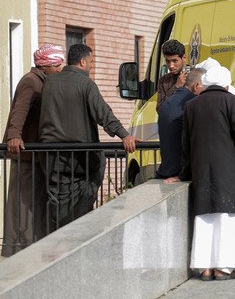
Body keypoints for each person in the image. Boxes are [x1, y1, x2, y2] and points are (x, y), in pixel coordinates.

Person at [165, 65, 235, 280]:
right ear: (225, 84)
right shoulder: (232, 102)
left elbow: (186, 144)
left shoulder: (191, 105)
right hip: (230, 172)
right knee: (229, 219)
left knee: (206, 220)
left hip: (202, 171)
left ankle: (205, 267)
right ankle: (223, 268)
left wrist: (184, 173)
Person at [38, 44, 137, 232]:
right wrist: (124, 135)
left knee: (58, 204)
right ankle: (77, 238)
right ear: (83, 61)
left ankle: (56, 244)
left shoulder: (49, 82)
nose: (92, 66)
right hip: (81, 159)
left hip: (52, 157)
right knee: (83, 202)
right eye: (91, 62)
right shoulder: (86, 84)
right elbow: (104, 114)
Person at [1, 44, 65, 256]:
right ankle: (18, 250)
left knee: (32, 204)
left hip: (34, 156)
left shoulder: (42, 81)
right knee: (22, 204)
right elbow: (19, 111)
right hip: (26, 155)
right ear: (45, 65)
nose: (60, 68)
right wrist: (13, 136)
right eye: (57, 65)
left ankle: (31, 247)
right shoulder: (31, 82)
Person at [156, 68, 204, 179]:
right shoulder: (193, 104)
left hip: (166, 171)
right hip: (182, 174)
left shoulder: (166, 103)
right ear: (196, 86)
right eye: (204, 87)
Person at [156, 39, 187, 112]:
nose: (171, 66)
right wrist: (177, 86)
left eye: (174, 61)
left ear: (183, 58)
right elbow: (160, 109)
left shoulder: (194, 77)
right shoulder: (164, 80)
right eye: (167, 61)